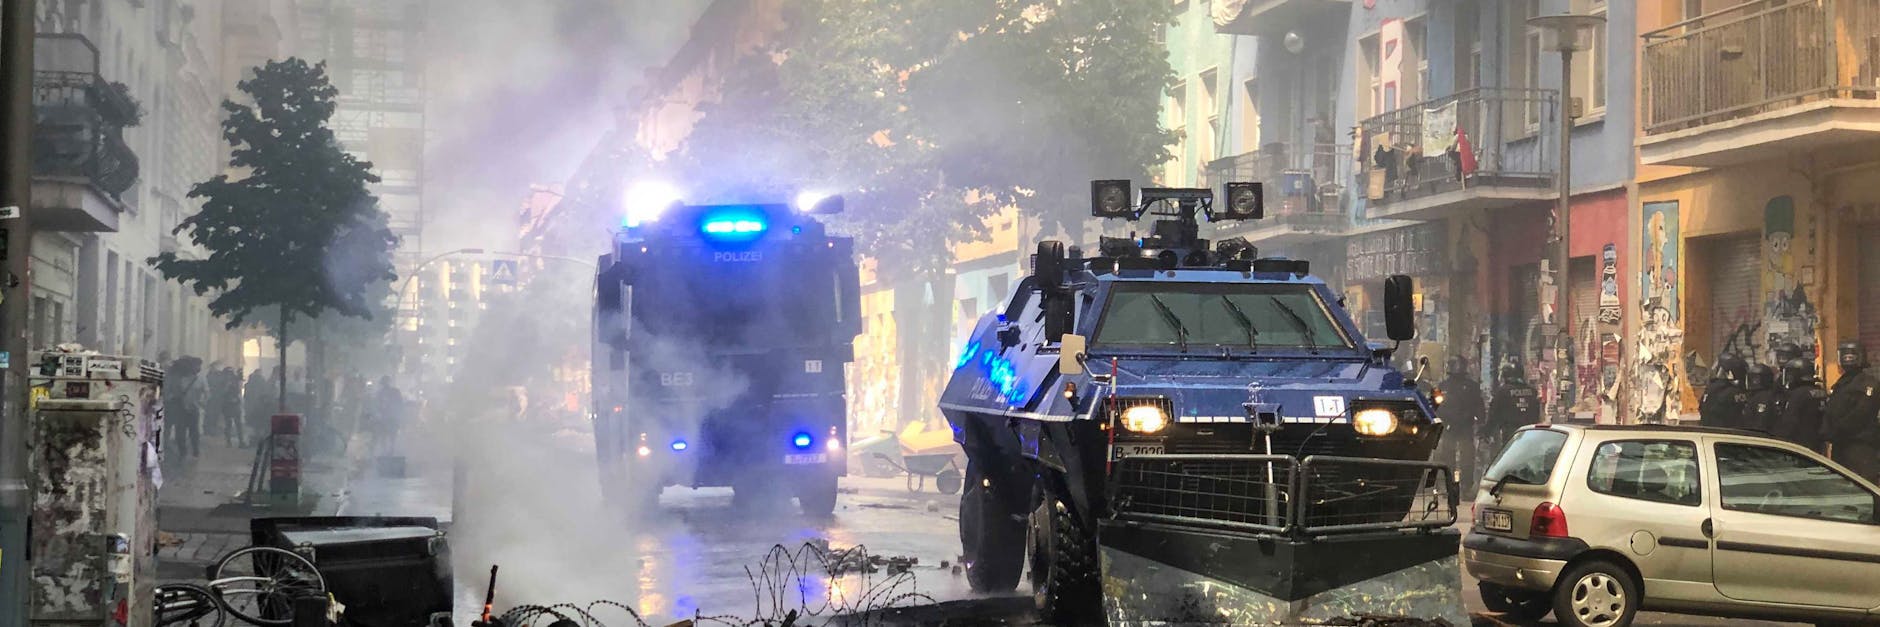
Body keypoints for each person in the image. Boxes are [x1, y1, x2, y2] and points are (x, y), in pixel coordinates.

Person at [1822, 341, 1879, 482]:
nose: (1848, 358)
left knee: (1863, 485)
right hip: (1840, 446)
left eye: (1852, 355)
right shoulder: (1841, 384)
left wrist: (1836, 431)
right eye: (1845, 355)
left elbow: (1861, 414)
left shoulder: (1868, 383)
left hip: (1860, 446)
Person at [1436, 356, 1487, 487]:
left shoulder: (1472, 386)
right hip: (1448, 427)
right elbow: (1436, 407)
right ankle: (1449, 485)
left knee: (1467, 458)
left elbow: (1478, 406)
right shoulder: (1443, 386)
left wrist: (1480, 423)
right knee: (1447, 458)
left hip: (1465, 426)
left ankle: (1466, 486)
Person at [1773, 357, 1828, 453]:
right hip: (1818, 444)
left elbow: (1789, 423)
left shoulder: (1798, 395)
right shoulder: (1821, 391)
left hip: (1800, 445)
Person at [1488, 357, 1541, 444]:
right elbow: (1537, 413)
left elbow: (1493, 414)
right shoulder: (1532, 391)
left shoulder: (1502, 392)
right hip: (1530, 433)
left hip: (1510, 434)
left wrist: (1487, 432)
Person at [163, 357, 207, 460]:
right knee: (188, 431)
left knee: (186, 431)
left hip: (184, 408)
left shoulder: (176, 378)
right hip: (186, 408)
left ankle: (187, 452)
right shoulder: (182, 378)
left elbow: (167, 392)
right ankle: (189, 451)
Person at [1698, 352, 1750, 430]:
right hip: (1722, 435)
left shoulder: (1711, 389)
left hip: (1711, 433)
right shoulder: (1734, 392)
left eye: (1719, 369)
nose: (1715, 370)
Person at [1744, 363, 1784, 434]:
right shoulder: (1756, 396)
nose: (1752, 381)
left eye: (1755, 378)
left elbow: (1760, 424)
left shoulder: (1764, 397)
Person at [372, 376, 406, 455]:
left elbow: (400, 403)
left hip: (390, 416)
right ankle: (387, 449)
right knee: (386, 434)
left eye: (385, 382)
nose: (385, 384)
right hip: (386, 416)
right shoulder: (382, 393)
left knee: (389, 434)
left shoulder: (391, 392)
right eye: (384, 383)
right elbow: (376, 404)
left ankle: (389, 449)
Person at [244, 368, 274, 447]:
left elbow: (246, 396)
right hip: (259, 407)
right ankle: (257, 441)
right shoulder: (262, 382)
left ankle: (253, 441)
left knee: (254, 426)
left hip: (253, 407)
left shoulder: (249, 384)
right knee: (259, 426)